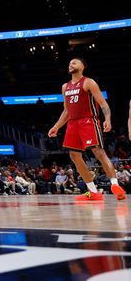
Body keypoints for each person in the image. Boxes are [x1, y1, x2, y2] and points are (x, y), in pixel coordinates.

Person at [48, 58, 126, 201]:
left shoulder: (89, 82)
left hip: (88, 121)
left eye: (75, 62)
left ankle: (115, 185)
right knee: (74, 156)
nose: (71, 64)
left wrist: (107, 119)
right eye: (70, 62)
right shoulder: (65, 86)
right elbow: (66, 111)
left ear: (82, 67)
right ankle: (93, 192)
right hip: (72, 124)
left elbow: (103, 104)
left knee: (98, 152)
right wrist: (56, 126)